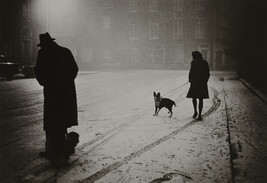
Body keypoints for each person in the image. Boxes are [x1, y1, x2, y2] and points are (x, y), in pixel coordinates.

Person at [35, 32, 79, 167]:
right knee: (63, 118)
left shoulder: (43, 54)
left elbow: (38, 73)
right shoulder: (65, 52)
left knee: (52, 118)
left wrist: (46, 82)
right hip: (65, 92)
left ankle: (53, 147)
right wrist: (66, 82)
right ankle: (62, 145)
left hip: (52, 91)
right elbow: (74, 69)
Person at [186, 51, 210, 121]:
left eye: (193, 55)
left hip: (195, 83)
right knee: (201, 99)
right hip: (202, 83)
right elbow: (207, 73)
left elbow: (191, 72)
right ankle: (199, 114)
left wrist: (190, 79)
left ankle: (195, 112)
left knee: (194, 98)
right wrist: (205, 81)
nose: (192, 57)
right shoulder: (205, 62)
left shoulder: (193, 62)